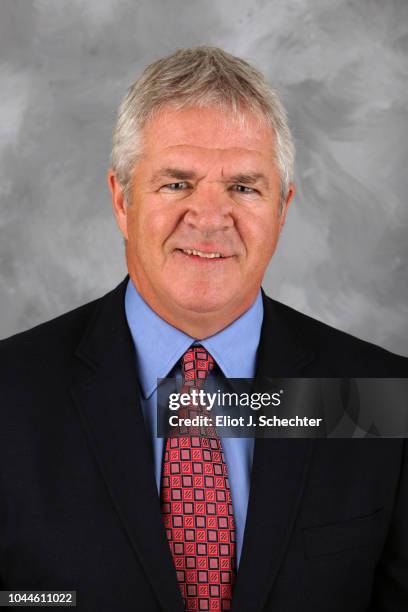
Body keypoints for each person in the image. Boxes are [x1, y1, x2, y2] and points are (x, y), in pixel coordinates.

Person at [0, 46, 407, 612]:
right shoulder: (10, 394)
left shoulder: (380, 400)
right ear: (122, 199)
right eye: (177, 184)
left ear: (283, 207)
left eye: (244, 186)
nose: (211, 218)